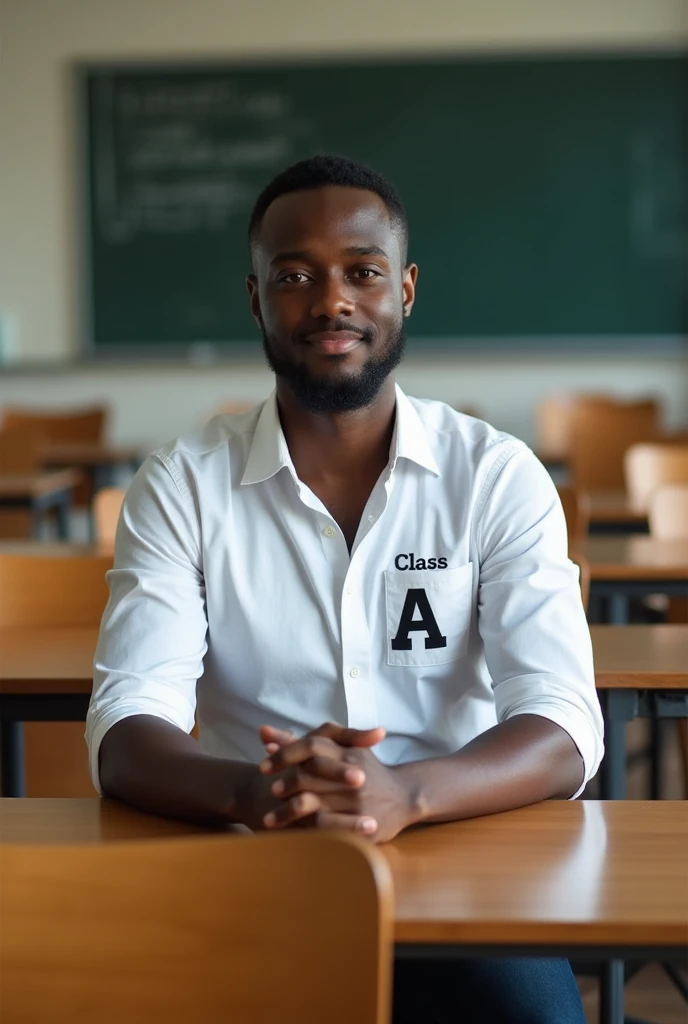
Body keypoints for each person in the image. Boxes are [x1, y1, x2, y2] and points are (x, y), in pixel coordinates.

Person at [88, 154, 603, 1023]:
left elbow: (562, 723)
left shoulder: (495, 477)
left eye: (362, 272)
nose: (332, 302)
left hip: (464, 853)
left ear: (404, 289)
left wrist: (408, 794)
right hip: (253, 859)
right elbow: (126, 727)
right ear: (255, 298)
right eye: (294, 275)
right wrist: (259, 793)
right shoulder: (181, 485)